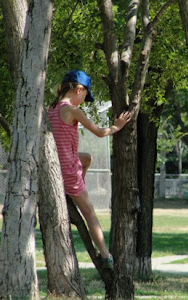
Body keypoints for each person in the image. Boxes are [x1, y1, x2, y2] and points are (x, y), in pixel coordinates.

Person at [48, 70, 131, 269]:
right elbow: (100, 133)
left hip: (55, 164)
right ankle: (105, 255)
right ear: (78, 89)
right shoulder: (73, 110)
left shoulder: (51, 108)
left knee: (87, 158)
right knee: (90, 213)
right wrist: (117, 127)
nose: (84, 99)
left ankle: (73, 192)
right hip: (68, 169)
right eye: (85, 95)